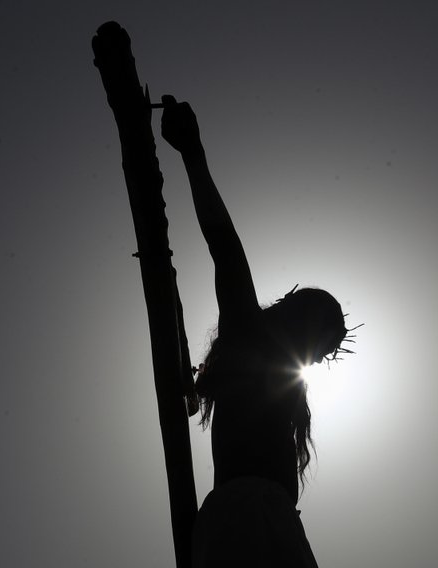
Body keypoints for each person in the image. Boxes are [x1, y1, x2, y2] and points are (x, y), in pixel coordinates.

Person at [160, 95, 350, 568]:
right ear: (297, 317)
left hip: (271, 517)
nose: (318, 356)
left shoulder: (288, 379)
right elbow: (224, 246)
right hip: (246, 515)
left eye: (326, 351)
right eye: (321, 339)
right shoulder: (250, 335)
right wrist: (193, 154)